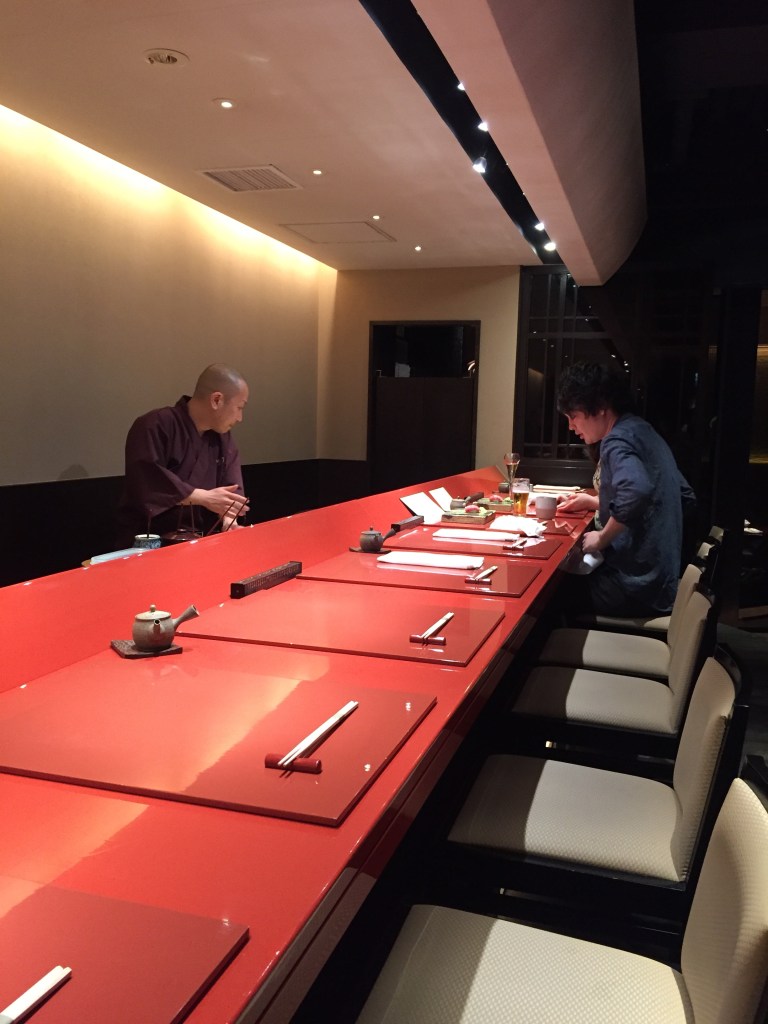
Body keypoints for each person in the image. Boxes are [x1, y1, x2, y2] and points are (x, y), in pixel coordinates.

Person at [555, 362, 695, 617]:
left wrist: (603, 537)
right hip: (662, 582)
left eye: (572, 416)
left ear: (599, 407)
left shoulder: (616, 440)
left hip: (635, 588)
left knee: (549, 595)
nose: (571, 426)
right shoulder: (644, 431)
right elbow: (683, 495)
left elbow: (637, 491)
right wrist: (596, 503)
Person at [116, 364, 249, 547]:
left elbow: (230, 491)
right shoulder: (154, 425)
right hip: (152, 542)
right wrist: (202, 497)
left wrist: (228, 520)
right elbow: (147, 479)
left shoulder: (223, 438)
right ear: (216, 400)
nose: (240, 418)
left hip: (203, 541)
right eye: (239, 407)